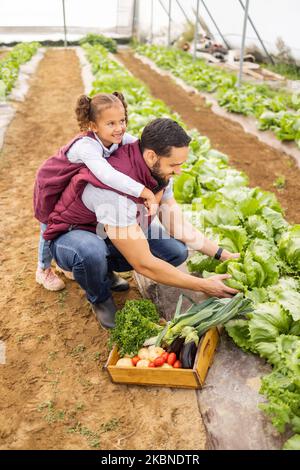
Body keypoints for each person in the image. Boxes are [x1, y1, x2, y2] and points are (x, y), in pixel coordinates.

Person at [40, 118, 239, 329]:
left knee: (175, 252)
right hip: (72, 234)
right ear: (152, 155)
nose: (178, 171)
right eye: (174, 165)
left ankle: (104, 270)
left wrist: (222, 254)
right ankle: (100, 297)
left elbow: (177, 225)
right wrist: (203, 285)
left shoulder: (157, 173)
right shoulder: (115, 188)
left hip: (109, 228)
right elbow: (142, 264)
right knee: (90, 252)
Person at [34, 92, 157, 291]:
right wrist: (145, 192)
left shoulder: (119, 137)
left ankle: (68, 267)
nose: (119, 128)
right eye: (111, 124)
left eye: (122, 120)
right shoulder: (86, 145)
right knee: (49, 224)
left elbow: (140, 147)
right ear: (93, 126)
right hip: (53, 183)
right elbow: (106, 174)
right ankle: (43, 269)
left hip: (74, 184)